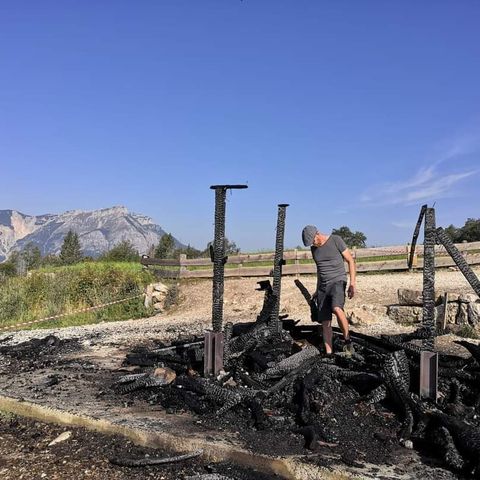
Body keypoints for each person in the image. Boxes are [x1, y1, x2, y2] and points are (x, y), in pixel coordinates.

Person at [302, 225, 356, 355]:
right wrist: (317, 289)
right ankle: (329, 353)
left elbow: (350, 261)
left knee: (336, 308)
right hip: (323, 286)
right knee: (325, 321)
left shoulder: (336, 240)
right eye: (311, 243)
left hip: (338, 281)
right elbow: (319, 271)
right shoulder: (314, 250)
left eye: (313, 241)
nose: (313, 244)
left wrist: (352, 284)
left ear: (317, 233)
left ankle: (347, 340)